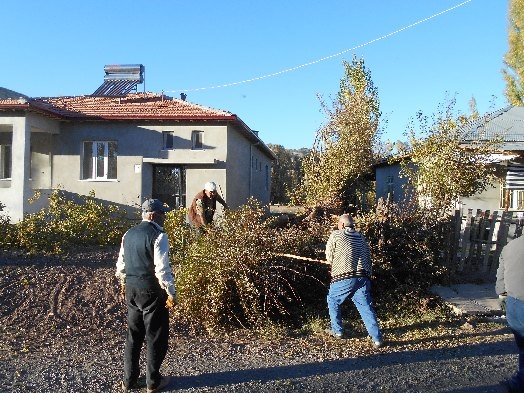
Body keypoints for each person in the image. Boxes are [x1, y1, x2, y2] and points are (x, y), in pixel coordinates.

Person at [116, 198, 177, 393]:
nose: (164, 218)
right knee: (155, 336)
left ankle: (128, 381)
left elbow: (121, 264)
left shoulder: (128, 234)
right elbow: (162, 270)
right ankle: (153, 382)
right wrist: (171, 292)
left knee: (133, 336)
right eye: (162, 214)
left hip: (131, 289)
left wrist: (123, 282)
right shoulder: (159, 236)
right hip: (151, 290)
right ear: (153, 215)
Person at [325, 214, 383, 347]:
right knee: (365, 307)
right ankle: (377, 338)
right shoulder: (361, 237)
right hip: (363, 277)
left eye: (339, 224)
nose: (338, 226)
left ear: (343, 225)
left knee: (332, 299)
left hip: (345, 276)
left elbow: (329, 257)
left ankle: (337, 330)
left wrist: (333, 263)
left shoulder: (336, 235)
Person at [496, 235, 524, 393]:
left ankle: (519, 382)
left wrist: (503, 299)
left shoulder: (509, 247)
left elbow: (500, 282)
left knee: (523, 347)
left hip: (513, 305)